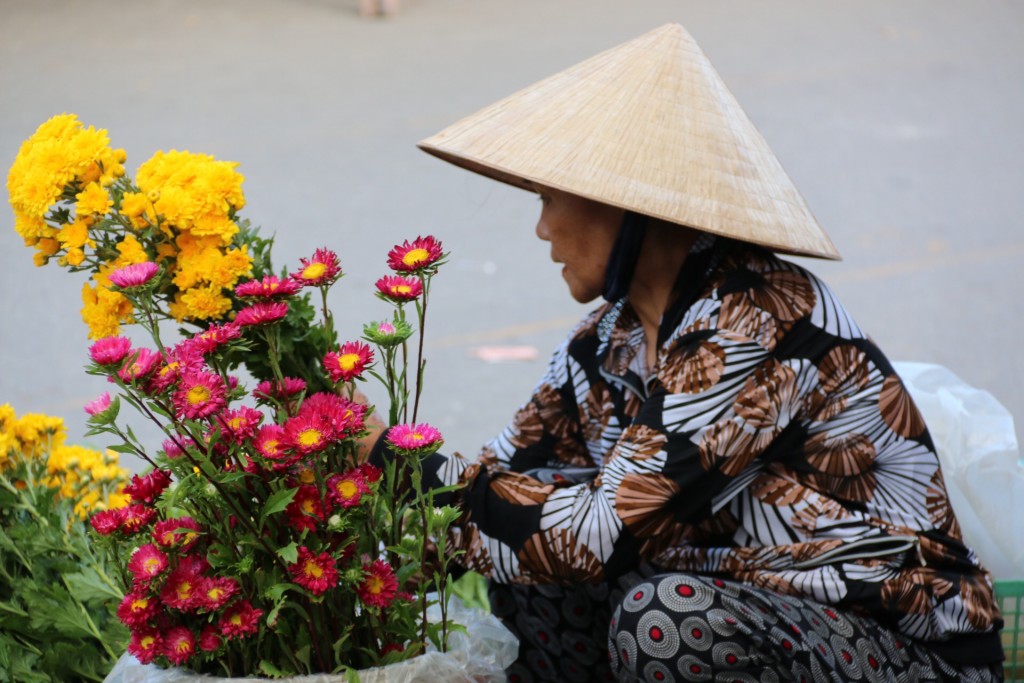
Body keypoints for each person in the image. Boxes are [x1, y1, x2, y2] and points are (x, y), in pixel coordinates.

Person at [379, 23, 1005, 682]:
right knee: (530, 560)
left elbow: (597, 534)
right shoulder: (603, 345)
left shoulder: (754, 315)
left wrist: (388, 460)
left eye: (547, 197)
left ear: (619, 203)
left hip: (899, 647)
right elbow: (496, 484)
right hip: (757, 617)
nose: (542, 228)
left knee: (666, 622)